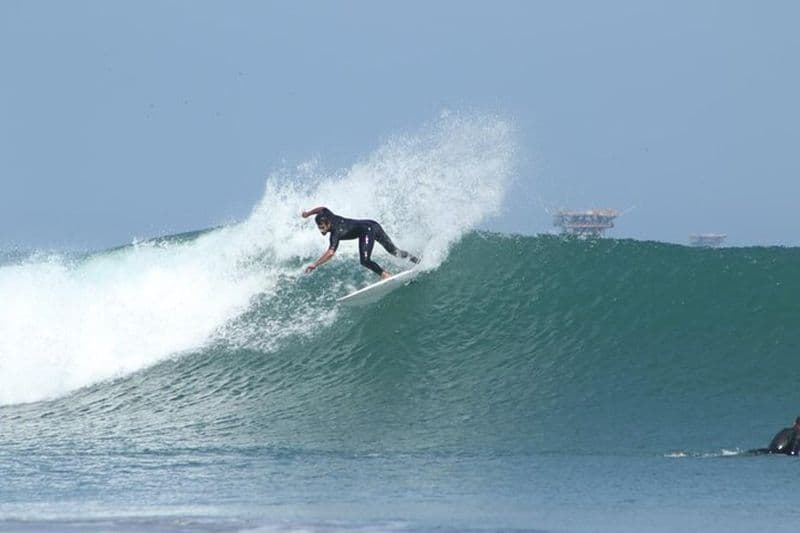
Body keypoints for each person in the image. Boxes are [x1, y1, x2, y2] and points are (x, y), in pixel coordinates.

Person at [301, 206, 419, 279]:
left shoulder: (335, 233)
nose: (321, 230)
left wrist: (315, 264)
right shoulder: (328, 215)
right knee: (394, 251)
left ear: (328, 224)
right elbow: (321, 209)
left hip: (368, 231)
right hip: (373, 224)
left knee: (365, 260)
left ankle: (385, 275)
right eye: (319, 227)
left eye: (323, 227)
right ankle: (417, 261)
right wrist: (308, 214)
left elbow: (331, 253)